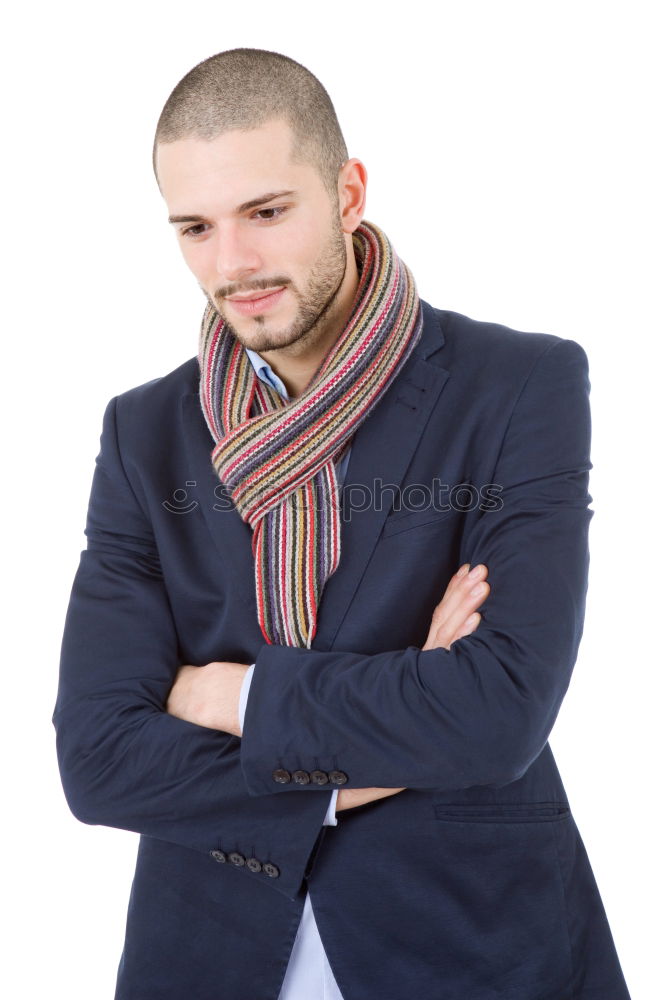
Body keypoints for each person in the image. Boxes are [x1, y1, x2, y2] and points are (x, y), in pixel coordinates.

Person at [53, 47, 632, 1000]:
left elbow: (496, 714)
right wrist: (373, 750)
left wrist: (228, 699)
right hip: (207, 954)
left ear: (348, 192)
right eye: (195, 227)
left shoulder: (519, 386)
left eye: (267, 212)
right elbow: (99, 760)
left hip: (474, 946)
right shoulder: (145, 433)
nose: (230, 263)